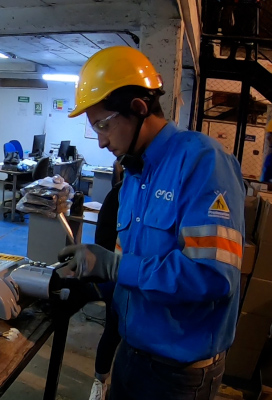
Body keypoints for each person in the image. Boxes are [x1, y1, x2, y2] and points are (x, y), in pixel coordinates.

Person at [63, 46, 245, 400]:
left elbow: (211, 276)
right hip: (131, 354)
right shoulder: (134, 173)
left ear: (139, 109)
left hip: (178, 375)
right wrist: (97, 283)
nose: (101, 140)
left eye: (103, 124)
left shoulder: (203, 162)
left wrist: (115, 267)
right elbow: (131, 262)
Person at [88, 179, 122, 400]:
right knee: (113, 331)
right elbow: (102, 240)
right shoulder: (120, 194)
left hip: (133, 278)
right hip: (118, 278)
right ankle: (99, 384)